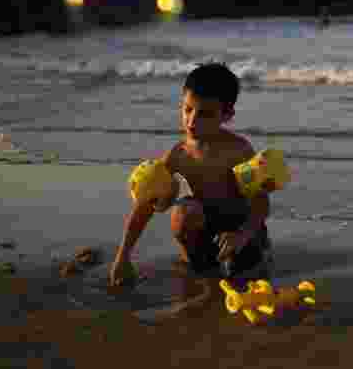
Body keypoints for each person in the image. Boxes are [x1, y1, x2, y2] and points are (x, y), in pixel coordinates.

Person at [109, 63, 272, 285]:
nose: (192, 121)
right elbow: (144, 205)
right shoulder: (177, 157)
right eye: (187, 109)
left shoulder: (239, 151)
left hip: (239, 228)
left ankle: (247, 252)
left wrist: (243, 234)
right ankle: (196, 260)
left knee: (244, 274)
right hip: (205, 227)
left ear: (227, 114)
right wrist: (123, 256)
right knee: (184, 212)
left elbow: (260, 202)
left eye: (205, 114)